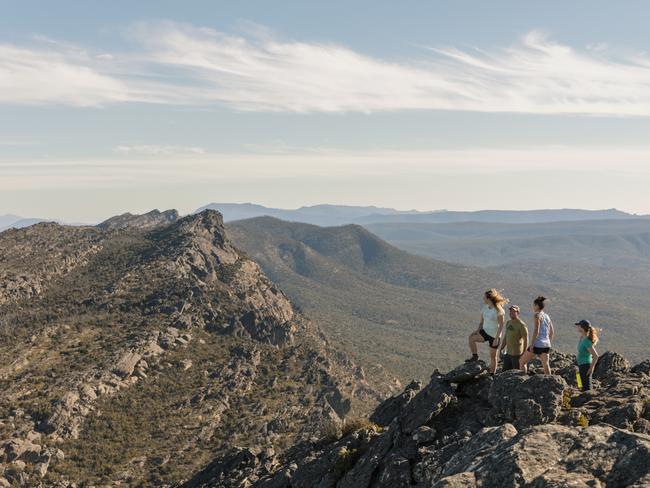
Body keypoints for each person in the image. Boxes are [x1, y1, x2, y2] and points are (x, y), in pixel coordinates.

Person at [467, 288, 508, 375]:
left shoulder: (499, 310)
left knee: (493, 356)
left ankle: (492, 374)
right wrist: (477, 331)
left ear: (489, 299)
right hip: (485, 331)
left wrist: (496, 338)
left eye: (484, 297)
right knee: (471, 338)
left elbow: (501, 325)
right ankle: (475, 356)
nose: (483, 299)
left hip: (494, 336)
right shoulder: (485, 307)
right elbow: (481, 321)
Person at [519, 296, 554, 374]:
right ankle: (549, 381)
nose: (533, 307)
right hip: (547, 344)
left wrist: (532, 345)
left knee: (521, 361)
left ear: (537, 306)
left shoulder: (537, 315)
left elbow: (536, 330)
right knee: (546, 364)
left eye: (534, 305)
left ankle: (522, 380)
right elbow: (552, 331)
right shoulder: (547, 316)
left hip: (538, 344)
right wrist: (548, 342)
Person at [499, 304, 528, 371]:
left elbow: (526, 339)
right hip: (508, 353)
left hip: (517, 354)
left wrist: (524, 353)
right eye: (510, 311)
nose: (511, 313)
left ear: (517, 313)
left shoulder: (521, 325)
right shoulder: (508, 323)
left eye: (514, 311)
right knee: (504, 372)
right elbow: (506, 337)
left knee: (517, 372)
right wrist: (501, 348)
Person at [575, 319, 599, 391]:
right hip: (580, 364)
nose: (577, 327)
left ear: (582, 328)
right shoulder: (582, 338)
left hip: (586, 366)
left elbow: (595, 356)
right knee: (579, 381)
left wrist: (591, 368)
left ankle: (588, 399)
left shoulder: (586, 341)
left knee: (587, 387)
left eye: (578, 325)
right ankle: (581, 394)